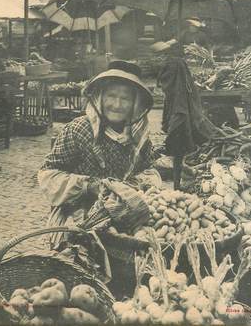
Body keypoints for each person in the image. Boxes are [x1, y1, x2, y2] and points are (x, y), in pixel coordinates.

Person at [38, 60, 162, 249]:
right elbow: (49, 175)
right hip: (79, 217)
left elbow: (147, 170)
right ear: (100, 97)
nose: (117, 104)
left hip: (124, 218)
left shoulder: (138, 137)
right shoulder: (79, 129)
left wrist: (137, 187)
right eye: (111, 96)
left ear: (135, 104)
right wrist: (89, 185)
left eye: (125, 98)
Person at [151, 40, 218, 189]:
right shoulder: (175, 69)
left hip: (182, 124)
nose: (163, 85)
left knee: (180, 152)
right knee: (179, 154)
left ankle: (183, 184)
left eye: (165, 81)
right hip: (180, 123)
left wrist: (168, 136)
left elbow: (179, 112)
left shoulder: (175, 74)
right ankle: (178, 184)